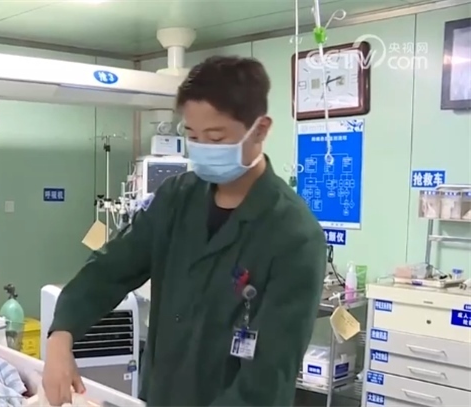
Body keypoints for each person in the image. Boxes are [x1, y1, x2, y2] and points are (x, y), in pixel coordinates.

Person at [41, 56, 326, 406]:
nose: (202, 148)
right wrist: (62, 335)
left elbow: (267, 379)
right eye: (192, 136)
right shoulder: (176, 199)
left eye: (216, 138)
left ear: (261, 129)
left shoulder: (293, 235)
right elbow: (109, 270)